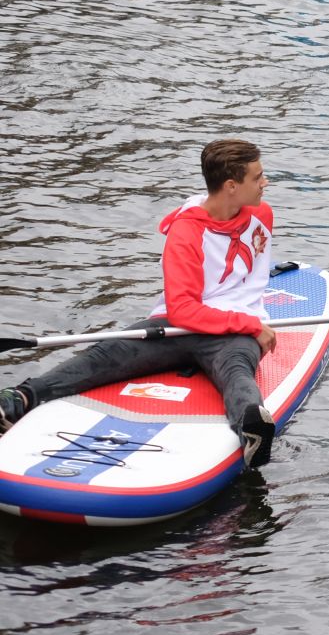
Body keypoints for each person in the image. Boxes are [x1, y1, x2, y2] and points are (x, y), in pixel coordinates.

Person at [0, 141, 281, 466]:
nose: (265, 182)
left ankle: (251, 426)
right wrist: (251, 325)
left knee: (236, 370)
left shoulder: (263, 214)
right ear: (232, 186)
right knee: (107, 354)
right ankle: (19, 398)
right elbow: (183, 310)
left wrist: (246, 321)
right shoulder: (185, 233)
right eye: (258, 177)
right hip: (184, 325)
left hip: (234, 331)